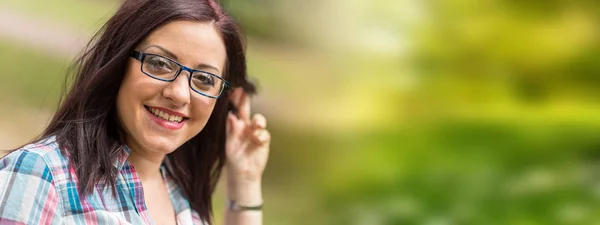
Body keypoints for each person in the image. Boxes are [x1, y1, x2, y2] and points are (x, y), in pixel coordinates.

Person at [0, 0, 270, 224]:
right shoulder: (42, 174)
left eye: (205, 79)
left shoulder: (179, 195)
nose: (178, 93)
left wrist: (244, 181)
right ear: (117, 64)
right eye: (159, 63)